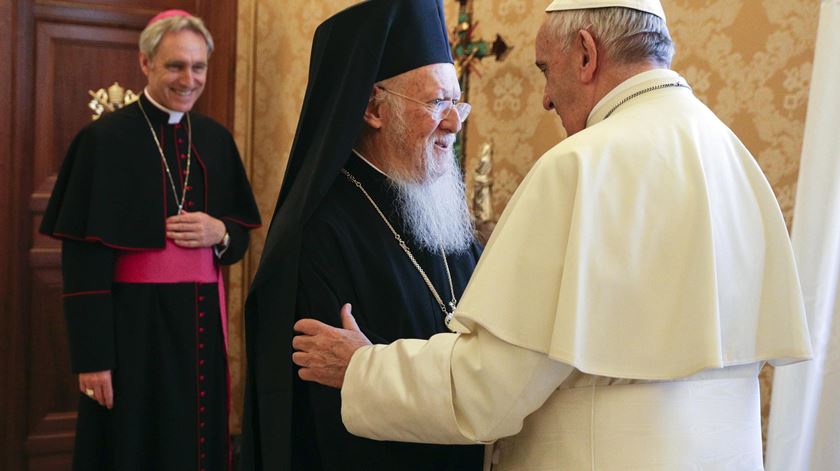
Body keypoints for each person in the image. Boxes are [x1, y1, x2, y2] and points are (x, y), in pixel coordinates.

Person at [291, 0, 814, 469]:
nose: (544, 98)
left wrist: (363, 369)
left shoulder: (580, 166)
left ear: (586, 54)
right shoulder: (732, 154)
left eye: (546, 70)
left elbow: (487, 392)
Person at [241, 1, 485, 470]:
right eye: (437, 103)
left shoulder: (443, 218)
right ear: (374, 107)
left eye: (457, 103)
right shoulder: (318, 238)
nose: (455, 123)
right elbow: (319, 419)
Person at [40, 10, 261, 471]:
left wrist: (220, 232)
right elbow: (82, 259)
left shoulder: (216, 140)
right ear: (145, 63)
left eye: (198, 66)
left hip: (201, 320)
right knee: (131, 444)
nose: (189, 79)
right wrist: (93, 359)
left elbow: (239, 241)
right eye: (175, 65)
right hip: (130, 328)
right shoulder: (103, 141)